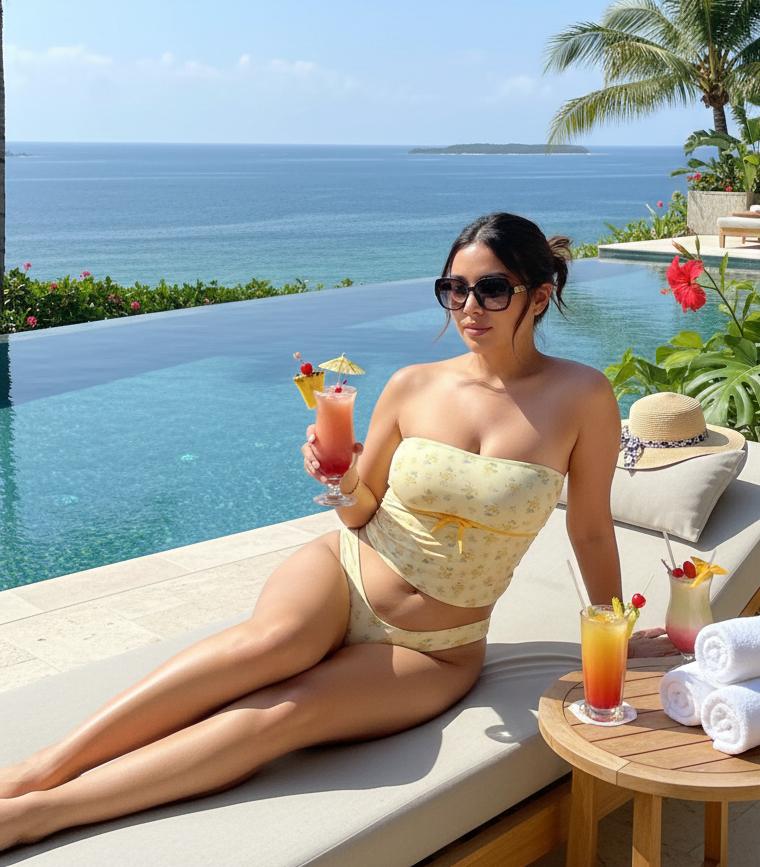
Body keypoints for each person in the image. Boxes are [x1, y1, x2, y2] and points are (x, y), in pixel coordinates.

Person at [0, 211, 672, 850]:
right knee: (268, 644)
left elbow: (589, 530)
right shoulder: (413, 385)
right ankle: (42, 769)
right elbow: (363, 507)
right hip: (344, 572)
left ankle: (35, 816)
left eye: (493, 289)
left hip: (437, 648)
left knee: (284, 714)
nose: (469, 307)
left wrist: (610, 633)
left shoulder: (581, 397)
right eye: (455, 289)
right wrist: (342, 479)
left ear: (540, 296)